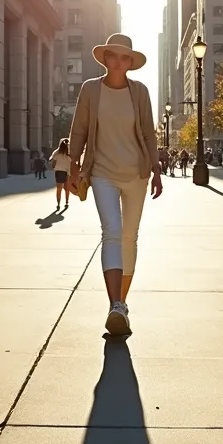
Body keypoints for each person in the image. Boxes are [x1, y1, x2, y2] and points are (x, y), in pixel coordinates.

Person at [66, 34, 163, 337]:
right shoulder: (91, 90)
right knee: (112, 233)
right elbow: (79, 130)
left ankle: (122, 303)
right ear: (105, 58)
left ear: (130, 63)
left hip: (136, 173)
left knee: (129, 237)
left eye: (125, 57)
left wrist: (157, 170)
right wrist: (73, 166)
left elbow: (148, 133)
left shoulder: (140, 92)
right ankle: (115, 304)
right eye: (113, 56)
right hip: (102, 172)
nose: (118, 62)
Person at [51, 140, 72, 209]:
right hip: (68, 172)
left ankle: (58, 204)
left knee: (59, 188)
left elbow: (53, 161)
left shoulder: (57, 152)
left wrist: (54, 166)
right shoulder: (69, 153)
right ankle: (66, 202)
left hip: (59, 171)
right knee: (67, 188)